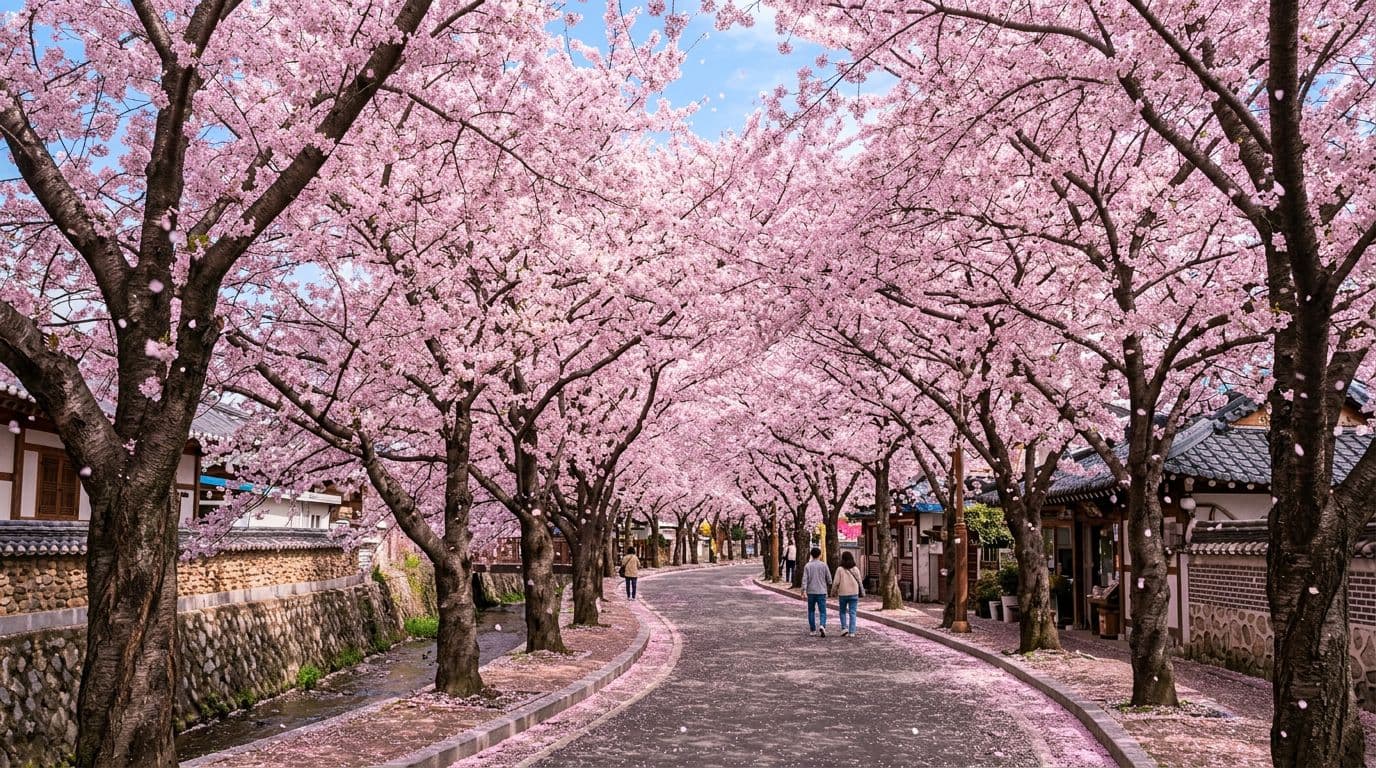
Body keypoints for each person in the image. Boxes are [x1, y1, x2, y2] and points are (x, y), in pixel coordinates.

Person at [832, 551, 864, 637]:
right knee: (852, 612)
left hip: (843, 593)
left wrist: (833, 591)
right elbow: (860, 581)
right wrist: (862, 591)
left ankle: (844, 628)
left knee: (842, 611)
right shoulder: (856, 569)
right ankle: (852, 632)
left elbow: (836, 582)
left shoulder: (840, 569)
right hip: (854, 593)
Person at [801, 547, 831, 637]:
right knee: (822, 611)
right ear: (820, 555)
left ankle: (813, 629)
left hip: (811, 592)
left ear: (811, 555)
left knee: (811, 611)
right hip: (822, 591)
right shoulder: (824, 565)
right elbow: (829, 579)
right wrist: (829, 584)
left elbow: (804, 579)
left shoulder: (807, 566)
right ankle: (822, 625)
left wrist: (803, 591)